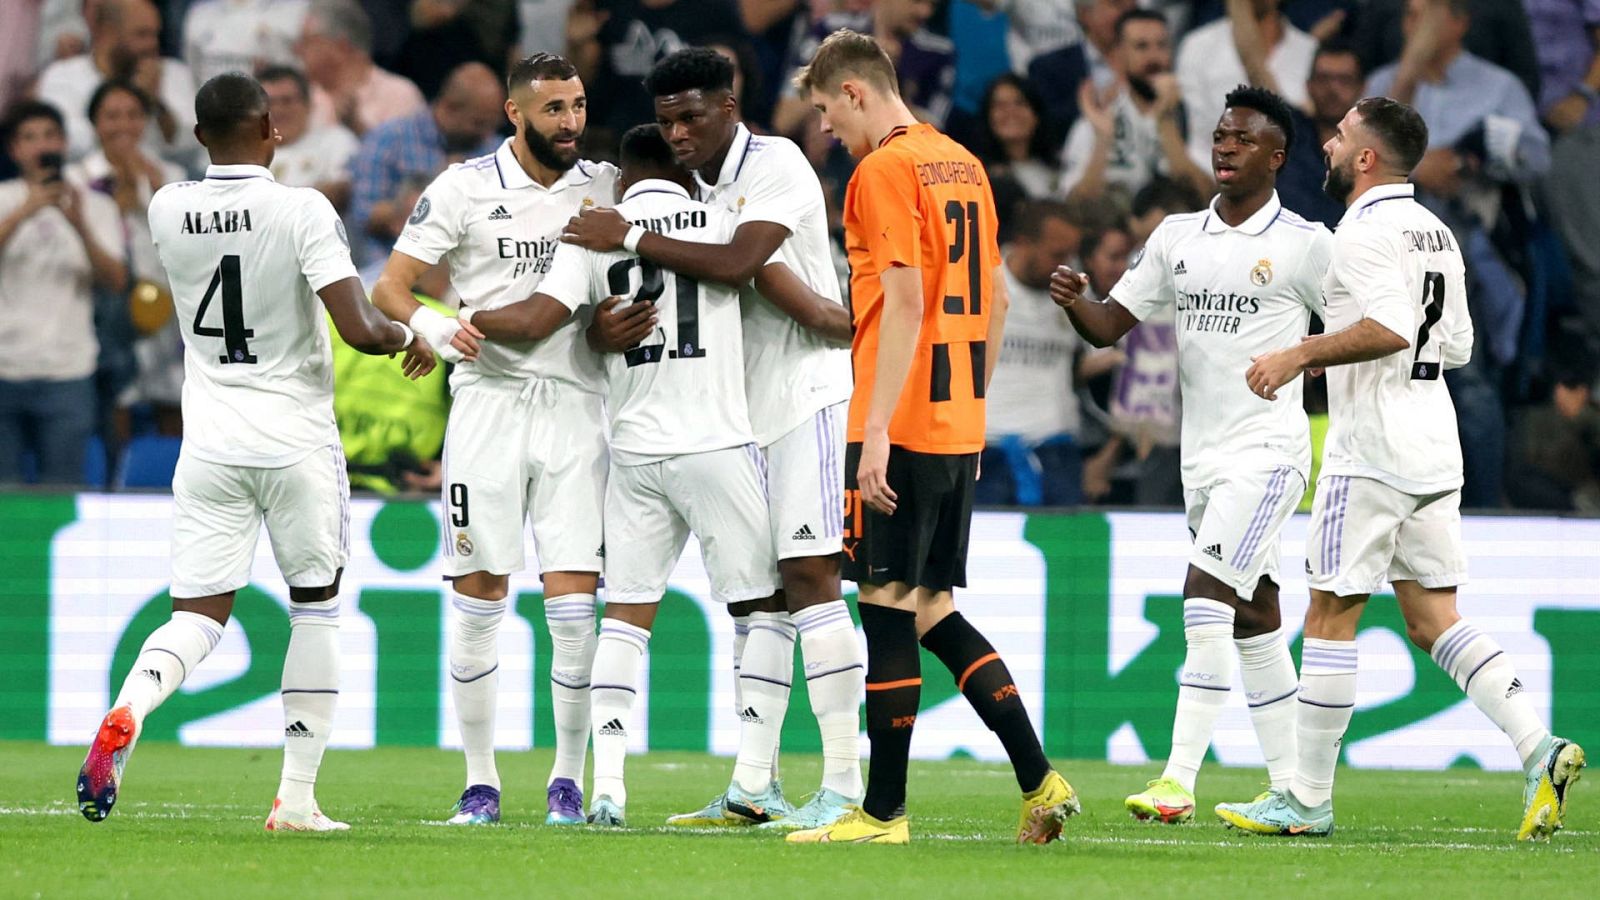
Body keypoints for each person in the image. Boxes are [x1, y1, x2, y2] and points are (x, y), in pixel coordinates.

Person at [1220, 96, 1585, 841]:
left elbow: (1387, 328)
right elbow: (1453, 346)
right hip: (1430, 442)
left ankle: (1305, 800)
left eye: (1340, 135)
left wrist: (1302, 353)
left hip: (1371, 450)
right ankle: (1538, 748)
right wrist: (1354, 355)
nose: (1327, 142)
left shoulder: (1362, 228)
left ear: (1365, 159)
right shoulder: (1435, 228)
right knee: (1431, 618)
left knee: (1329, 614)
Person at [75, 71, 426, 831]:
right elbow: (361, 328)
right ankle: (295, 801)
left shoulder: (168, 207)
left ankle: (130, 706)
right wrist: (412, 334)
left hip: (208, 444)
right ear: (273, 132)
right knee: (316, 612)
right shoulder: (302, 209)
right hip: (294, 439)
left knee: (198, 616)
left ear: (200, 136)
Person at [465, 124, 836, 828]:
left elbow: (540, 317)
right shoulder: (722, 222)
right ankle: (754, 782)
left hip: (633, 453)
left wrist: (460, 320)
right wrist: (846, 323)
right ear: (686, 172)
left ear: (626, 177)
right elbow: (789, 297)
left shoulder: (593, 233)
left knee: (627, 618)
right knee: (764, 610)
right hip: (718, 444)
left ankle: (606, 789)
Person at [785, 29, 1076, 846]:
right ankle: (1039, 778)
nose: (826, 132)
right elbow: (999, 301)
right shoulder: (964, 163)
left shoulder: (881, 171)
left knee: (882, 609)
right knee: (930, 610)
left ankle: (883, 813)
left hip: (898, 420)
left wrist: (874, 432)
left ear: (854, 93)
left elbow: (905, 303)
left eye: (824, 112)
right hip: (952, 421)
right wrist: (974, 411)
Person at [561, 47, 863, 831]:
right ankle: (753, 788)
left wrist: (625, 236)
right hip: (735, 415)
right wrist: (600, 328)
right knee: (765, 600)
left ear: (732, 107)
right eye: (667, 122)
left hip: (803, 397)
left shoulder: (777, 164)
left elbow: (736, 264)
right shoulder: (700, 188)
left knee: (807, 578)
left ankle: (844, 784)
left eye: (693, 116)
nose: (681, 132)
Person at [1051, 84, 1332, 822]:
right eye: (1219, 134)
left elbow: (1360, 332)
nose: (1224, 146)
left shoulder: (1305, 243)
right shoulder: (1178, 236)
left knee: (1205, 595)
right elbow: (1110, 325)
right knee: (1255, 615)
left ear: (1276, 156)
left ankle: (1177, 778)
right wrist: (1076, 297)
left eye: (1242, 138)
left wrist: (1301, 360)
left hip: (1269, 453)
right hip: (1201, 460)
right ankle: (1297, 794)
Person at [371, 53, 615, 829]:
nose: (570, 121)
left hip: (578, 405)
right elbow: (390, 283)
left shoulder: (604, 186)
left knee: (574, 607)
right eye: (553, 109)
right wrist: (438, 328)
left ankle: (566, 784)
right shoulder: (464, 186)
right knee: (480, 596)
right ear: (515, 113)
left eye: (577, 105)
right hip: (488, 408)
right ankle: (480, 785)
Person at [0, 100, 126, 485]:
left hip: (69, 371)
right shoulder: (3, 198)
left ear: (65, 142)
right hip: (4, 367)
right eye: (29, 137)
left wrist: (79, 224)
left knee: (63, 492)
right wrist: (25, 210)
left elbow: (117, 280)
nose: (41, 146)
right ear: (14, 150)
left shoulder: (96, 204)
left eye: (50, 136)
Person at [69, 79, 188, 438]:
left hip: (163, 302)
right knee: (117, 397)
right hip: (104, 303)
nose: (123, 125)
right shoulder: (76, 178)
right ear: (94, 123)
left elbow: (185, 240)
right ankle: (113, 485)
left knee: (172, 394)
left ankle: (169, 485)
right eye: (112, 116)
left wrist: (152, 185)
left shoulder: (171, 176)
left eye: (133, 115)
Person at [980, 200, 1111, 507]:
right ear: (1024, 244)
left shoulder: (1073, 291)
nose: (1065, 263)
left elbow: (1086, 361)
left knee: (1062, 554)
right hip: (987, 447)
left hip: (1057, 450)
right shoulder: (983, 283)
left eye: (1071, 254)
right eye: (1057, 254)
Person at [347, 62, 505, 265]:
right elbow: (363, 214)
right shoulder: (389, 139)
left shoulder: (496, 150)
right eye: (478, 123)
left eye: (493, 124)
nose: (487, 133)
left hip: (472, 269)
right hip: (392, 263)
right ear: (449, 107)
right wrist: (427, 197)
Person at [1062, 9, 1212, 204]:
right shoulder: (1097, 119)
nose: (1154, 57)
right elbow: (1075, 205)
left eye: (1162, 45)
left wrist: (1166, 123)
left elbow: (1207, 195)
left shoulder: (1194, 110)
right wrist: (1103, 141)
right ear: (1119, 55)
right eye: (1141, 47)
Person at [35, 0, 198, 165]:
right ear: (108, 33)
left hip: (165, 182)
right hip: (85, 181)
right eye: (142, 34)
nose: (152, 44)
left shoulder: (174, 73)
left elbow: (192, 146)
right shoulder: (62, 75)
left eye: (156, 35)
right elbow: (65, 141)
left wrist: (157, 103)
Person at [1177, 0, 1316, 171]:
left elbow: (1310, 126)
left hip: (1291, 175)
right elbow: (1199, 132)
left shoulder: (1310, 52)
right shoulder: (1198, 45)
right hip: (1210, 177)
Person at [297, 0, 426, 137]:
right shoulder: (295, 97)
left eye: (307, 41)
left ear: (342, 48)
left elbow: (405, 153)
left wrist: (356, 127)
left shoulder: (399, 95)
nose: (297, 50)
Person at [1277, 40, 1362, 229]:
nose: (1332, 89)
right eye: (1323, 79)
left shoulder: (1374, 148)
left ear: (1361, 87)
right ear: (1308, 86)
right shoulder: (1285, 134)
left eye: (1344, 80)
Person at [259, 65, 359, 206]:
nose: (278, 110)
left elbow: (340, 190)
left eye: (287, 101)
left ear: (308, 105)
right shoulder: (242, 152)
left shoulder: (337, 140)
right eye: (269, 102)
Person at [183, 0, 308, 85]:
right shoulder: (200, 14)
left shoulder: (295, 10)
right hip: (213, 111)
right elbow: (193, 72)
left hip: (268, 112)